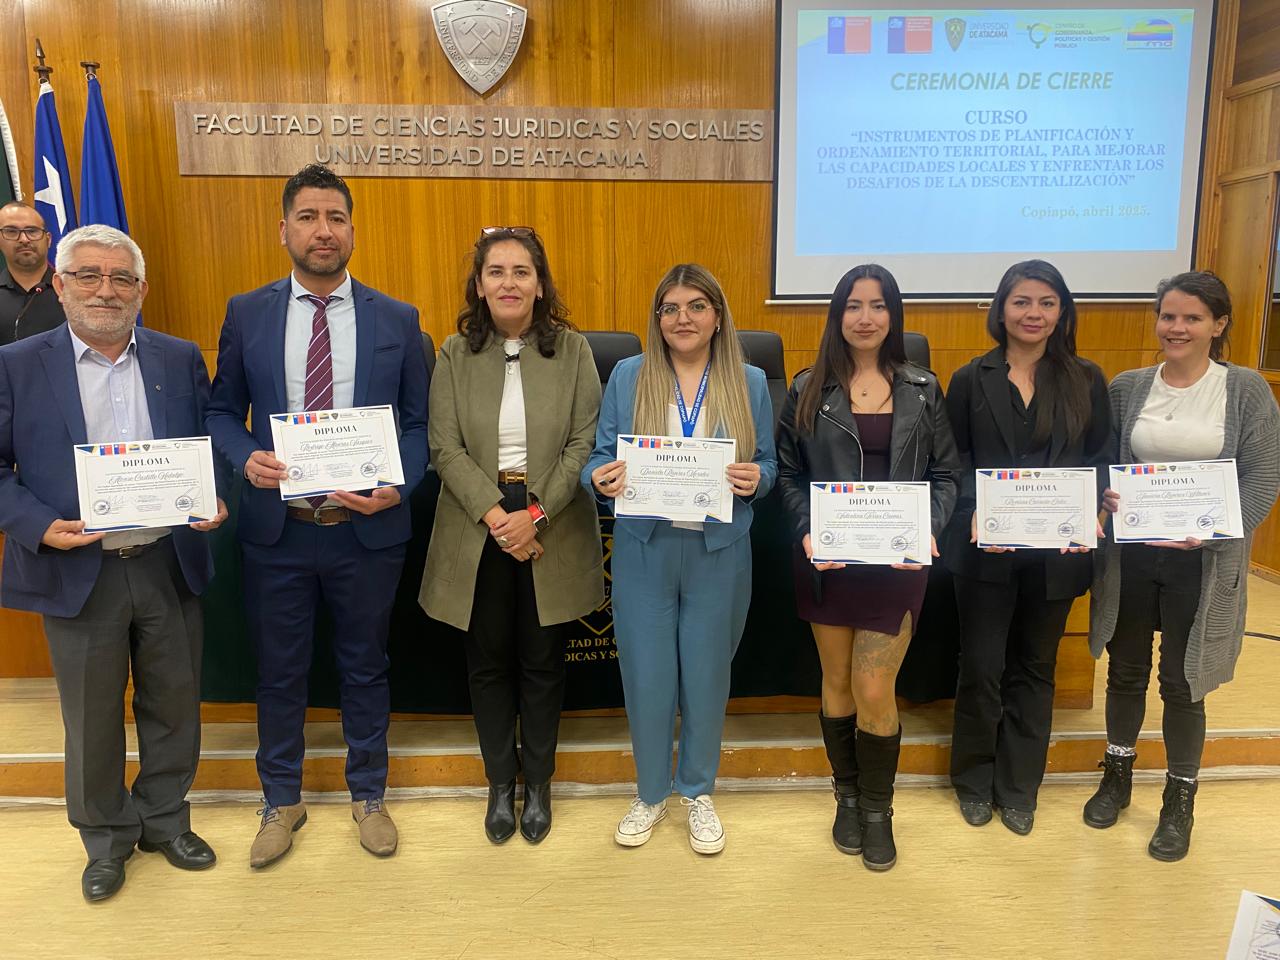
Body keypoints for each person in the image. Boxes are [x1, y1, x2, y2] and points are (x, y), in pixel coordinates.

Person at [207, 165, 429, 868]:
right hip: (279, 531)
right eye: (308, 216)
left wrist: (399, 480)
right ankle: (282, 799)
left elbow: (420, 426)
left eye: (335, 217)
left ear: (352, 230)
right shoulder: (248, 312)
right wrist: (246, 457)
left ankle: (369, 794)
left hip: (366, 532)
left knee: (365, 666)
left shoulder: (398, 318)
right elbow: (219, 411)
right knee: (278, 672)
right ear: (284, 230)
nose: (322, 230)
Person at [0, 224, 228, 901]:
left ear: (143, 290)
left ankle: (164, 820)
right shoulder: (16, 364)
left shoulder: (179, 357)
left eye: (122, 278)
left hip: (166, 561)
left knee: (175, 706)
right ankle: (105, 839)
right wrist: (39, 525)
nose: (107, 290)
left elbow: (204, 441)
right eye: (90, 276)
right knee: (92, 718)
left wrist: (211, 491)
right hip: (79, 568)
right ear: (62, 286)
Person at [1085, 271, 1279, 861]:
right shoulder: (1127, 387)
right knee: (1125, 670)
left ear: (1218, 325)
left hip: (1205, 563)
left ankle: (1179, 797)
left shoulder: (1245, 390)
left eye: (1192, 317)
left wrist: (1218, 530)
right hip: (1133, 558)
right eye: (1168, 315)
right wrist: (1105, 497)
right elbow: (1104, 467)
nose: (1177, 327)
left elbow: (1262, 479)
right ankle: (1116, 774)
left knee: (1183, 682)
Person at [419, 227, 603, 845]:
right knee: (488, 661)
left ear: (541, 284)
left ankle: (541, 783)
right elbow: (443, 446)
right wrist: (499, 516)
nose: (508, 282)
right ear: (479, 285)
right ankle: (501, 783)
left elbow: (585, 444)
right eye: (496, 272)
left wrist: (535, 514)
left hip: (551, 518)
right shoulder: (453, 352)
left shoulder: (574, 351)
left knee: (544, 662)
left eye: (521, 271)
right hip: (480, 521)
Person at [584, 264, 776, 855]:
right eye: (670, 308)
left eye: (696, 306)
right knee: (647, 676)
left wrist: (755, 479)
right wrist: (602, 478)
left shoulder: (749, 381)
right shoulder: (628, 375)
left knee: (706, 675)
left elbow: (770, 465)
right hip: (646, 548)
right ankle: (649, 794)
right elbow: (596, 457)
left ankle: (696, 790)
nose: (683, 318)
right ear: (657, 317)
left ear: (717, 316)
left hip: (718, 551)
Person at [776, 263, 959, 872]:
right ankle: (847, 797)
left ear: (893, 315)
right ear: (837, 315)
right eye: (853, 305)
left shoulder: (925, 388)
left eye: (878, 306)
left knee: (874, 686)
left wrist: (928, 527)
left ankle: (878, 810)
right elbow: (789, 475)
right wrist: (806, 529)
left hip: (897, 562)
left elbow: (946, 476)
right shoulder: (807, 389)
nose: (865, 317)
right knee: (836, 683)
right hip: (828, 561)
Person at [942, 260, 1112, 835]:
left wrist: (1088, 515)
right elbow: (955, 460)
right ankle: (971, 780)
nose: (1033, 313)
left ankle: (1019, 788)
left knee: (1036, 669)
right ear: (1001, 309)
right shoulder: (970, 378)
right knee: (982, 667)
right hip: (984, 553)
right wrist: (971, 513)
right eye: (1021, 302)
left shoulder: (1087, 379)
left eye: (1046, 302)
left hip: (1058, 557)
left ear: (1062, 312)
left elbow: (1098, 459)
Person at [0, 202, 65, 345]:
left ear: (48, 240)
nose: (24, 239)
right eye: (11, 231)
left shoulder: (72, 290)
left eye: (32, 231)